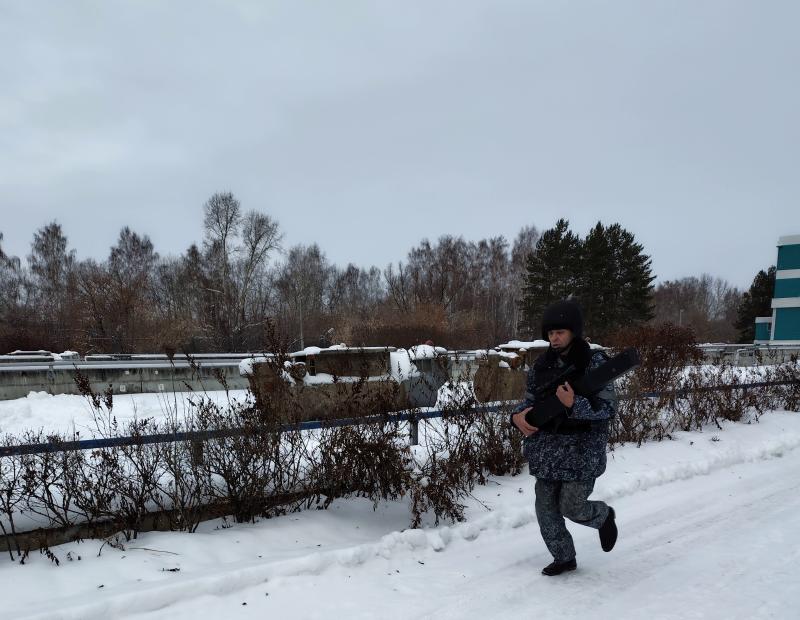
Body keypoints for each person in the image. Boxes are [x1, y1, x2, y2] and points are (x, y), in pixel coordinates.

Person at [511, 299, 618, 576]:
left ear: (574, 332)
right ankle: (564, 557)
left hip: (581, 452)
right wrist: (517, 416)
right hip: (547, 450)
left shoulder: (595, 363)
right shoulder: (541, 365)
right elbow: (530, 401)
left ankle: (603, 516)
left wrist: (574, 405)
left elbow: (608, 409)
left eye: (560, 332)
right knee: (545, 509)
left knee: (571, 506)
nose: (554, 338)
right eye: (550, 333)